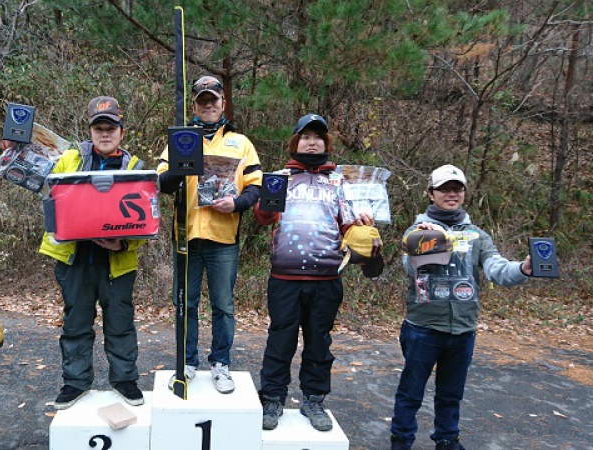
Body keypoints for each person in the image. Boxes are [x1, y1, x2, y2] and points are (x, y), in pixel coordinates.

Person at [253, 114, 383, 431]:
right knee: (279, 341)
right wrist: (268, 200)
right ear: (295, 142)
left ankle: (314, 401)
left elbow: (349, 226)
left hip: (327, 279)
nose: (313, 141)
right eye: (306, 136)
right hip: (284, 278)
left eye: (319, 137)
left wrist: (364, 223)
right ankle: (272, 400)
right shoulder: (281, 176)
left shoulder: (341, 182)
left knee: (319, 344)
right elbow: (262, 217)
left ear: (326, 143)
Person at [390, 164, 533, 450]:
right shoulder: (418, 229)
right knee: (410, 392)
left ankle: (446, 439)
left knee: (451, 394)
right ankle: (401, 440)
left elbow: (496, 268)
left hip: (463, 329)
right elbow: (409, 267)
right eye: (444, 189)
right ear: (431, 194)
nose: (451, 194)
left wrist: (524, 268)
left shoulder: (478, 235)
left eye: (457, 188)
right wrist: (425, 242)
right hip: (423, 327)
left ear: (465, 193)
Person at [157, 75, 262, 394]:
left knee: (223, 306)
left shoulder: (241, 142)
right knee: (185, 305)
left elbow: (256, 186)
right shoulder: (179, 139)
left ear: (222, 104)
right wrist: (182, 161)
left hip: (223, 240)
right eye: (202, 99)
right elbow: (162, 184)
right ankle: (186, 362)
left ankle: (221, 364)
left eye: (213, 99)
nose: (208, 104)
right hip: (186, 237)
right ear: (194, 105)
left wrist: (236, 204)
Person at [40, 96, 146, 409]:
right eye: (98, 128)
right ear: (90, 131)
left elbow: (146, 217)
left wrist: (124, 244)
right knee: (75, 323)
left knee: (121, 323)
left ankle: (124, 380)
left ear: (121, 132)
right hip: (76, 260)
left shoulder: (135, 167)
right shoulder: (68, 160)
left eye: (110, 128)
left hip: (117, 261)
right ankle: (75, 383)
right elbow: (48, 198)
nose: (104, 133)